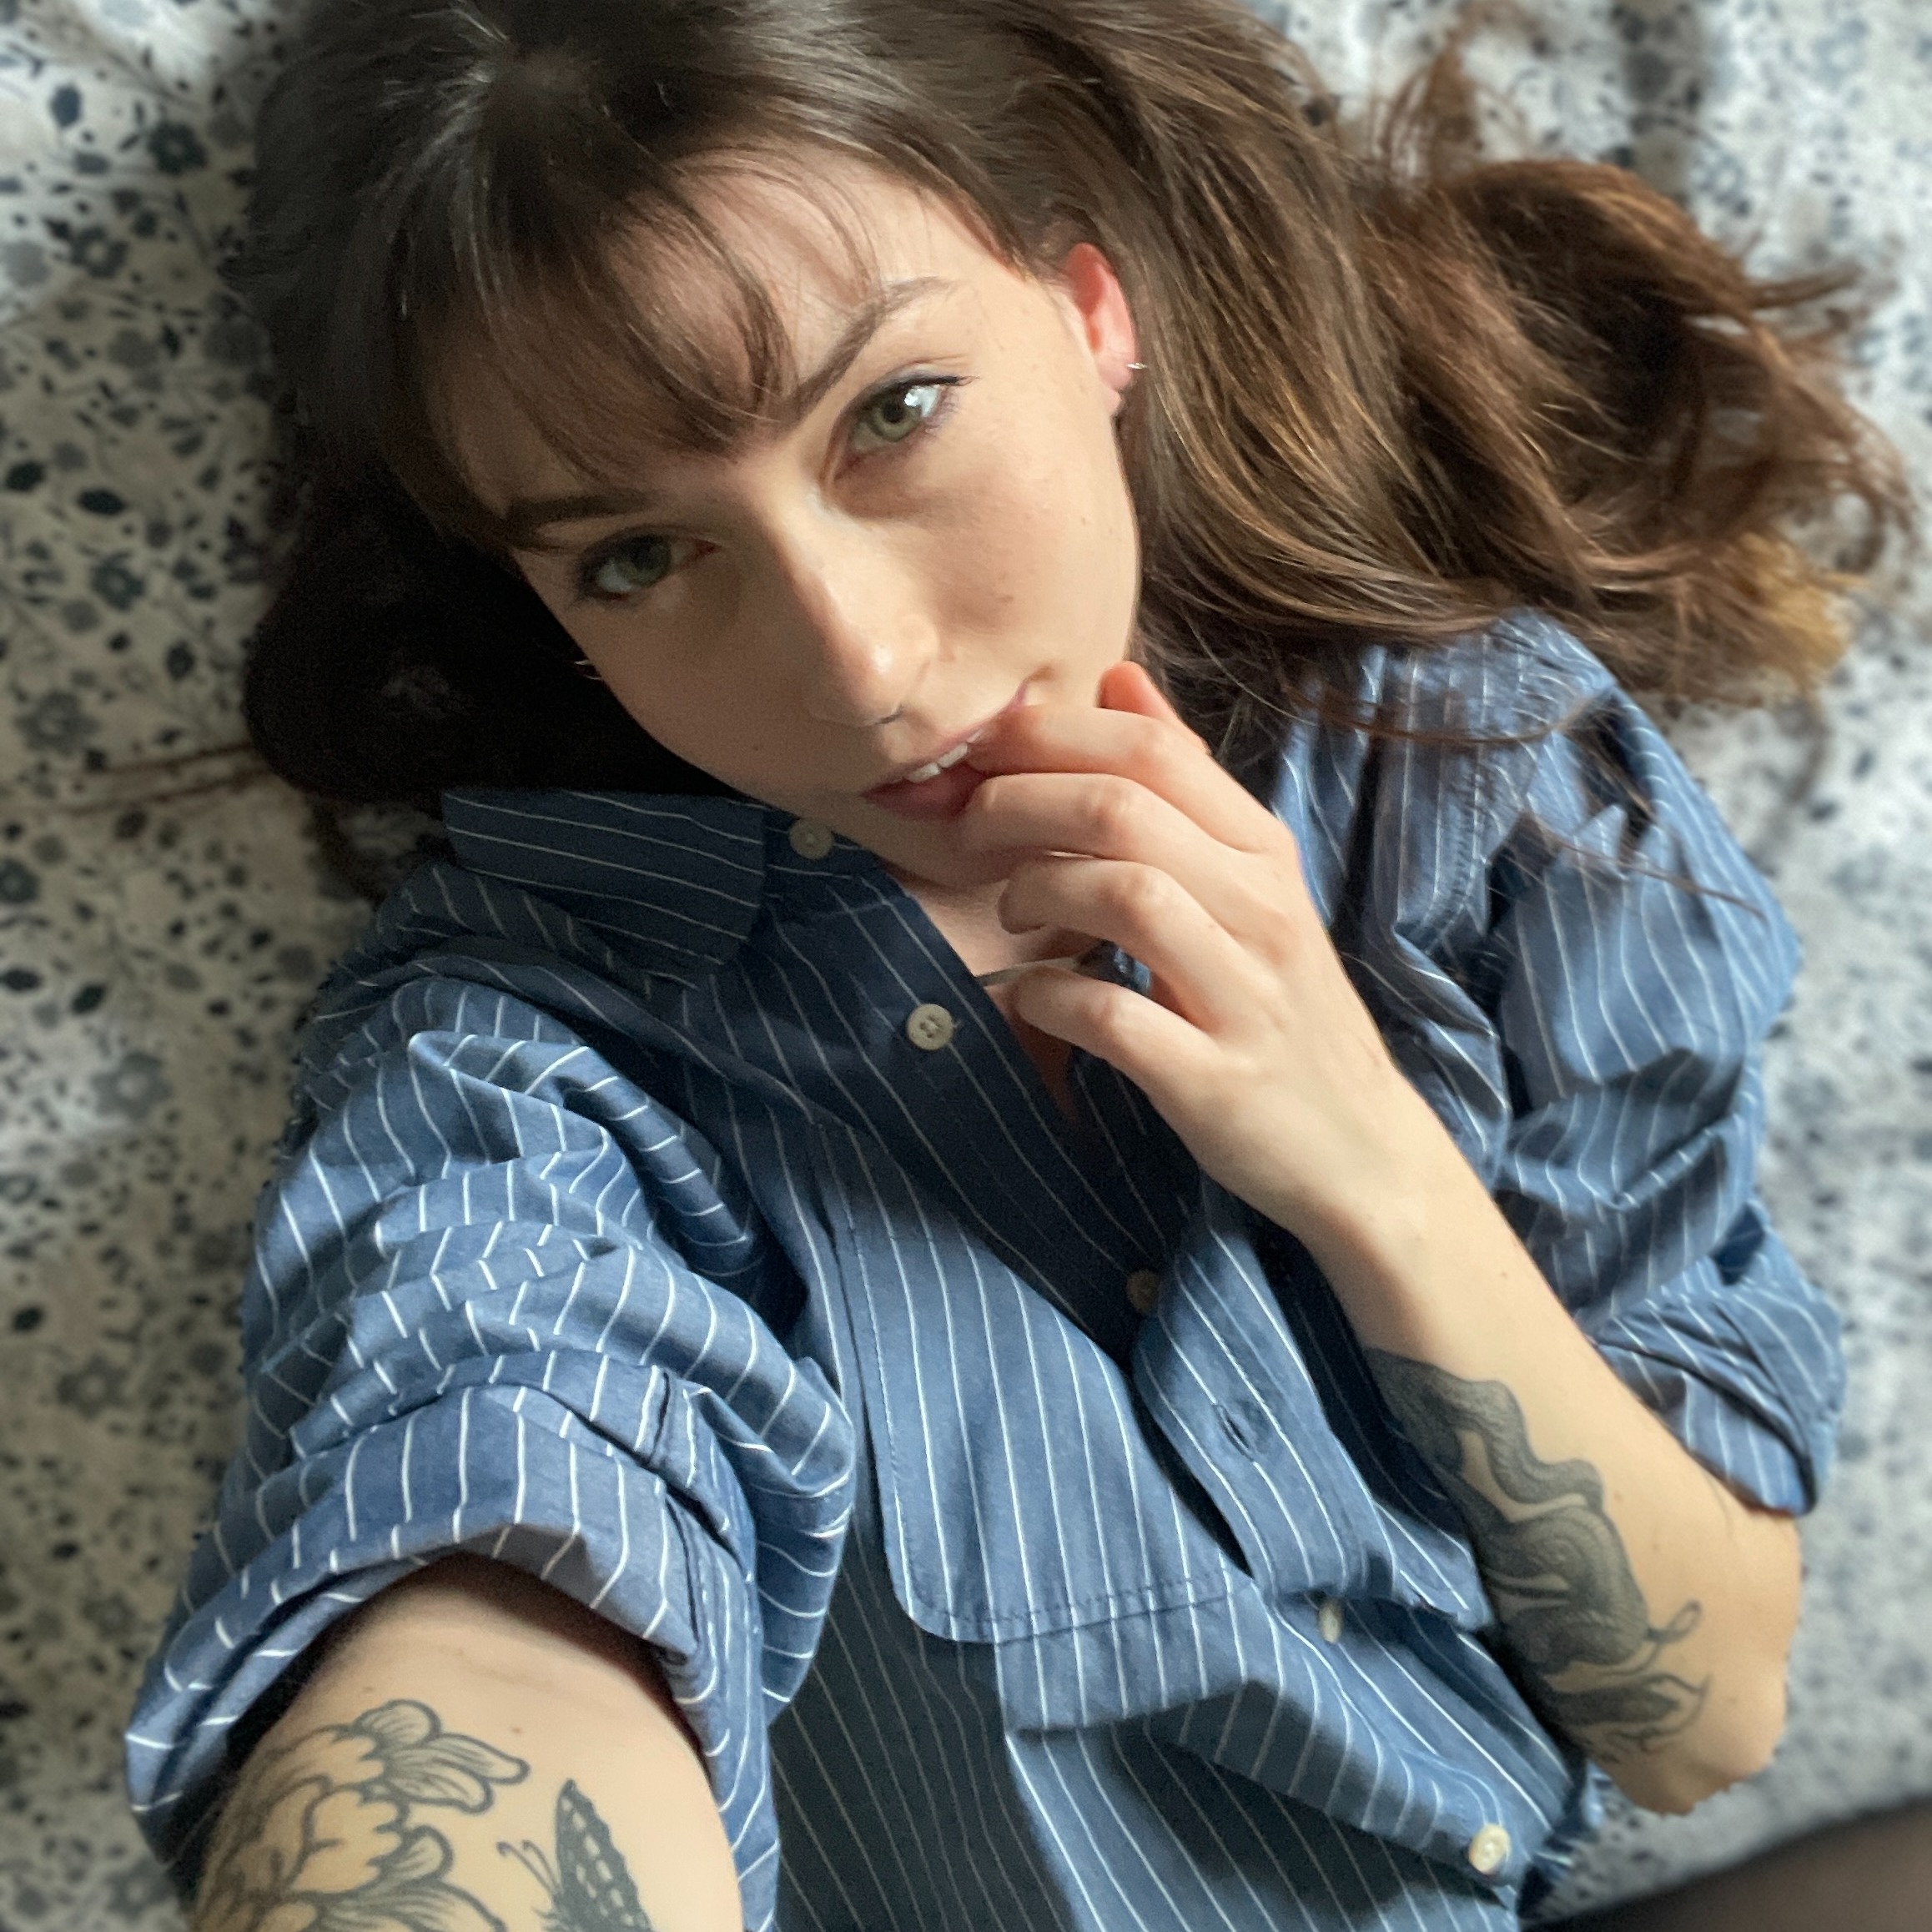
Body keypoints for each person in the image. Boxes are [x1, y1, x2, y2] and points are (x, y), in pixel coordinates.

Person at [124, 1, 1909, 1927]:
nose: (860, 667)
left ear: (1089, 305)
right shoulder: (531, 1048)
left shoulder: (1483, 792)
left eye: (892, 414)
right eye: (637, 556)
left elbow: (1703, 1719)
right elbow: (491, 1575)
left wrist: (1369, 1164)